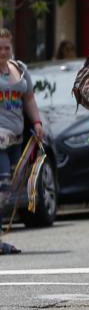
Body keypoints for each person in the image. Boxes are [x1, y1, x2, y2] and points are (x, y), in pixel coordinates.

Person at [0, 29, 43, 255]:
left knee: (13, 188)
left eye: (6, 47)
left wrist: (37, 123)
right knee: (3, 186)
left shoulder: (20, 68)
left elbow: (29, 98)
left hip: (16, 137)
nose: (3, 52)